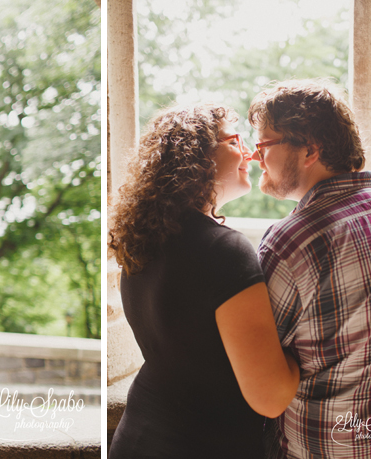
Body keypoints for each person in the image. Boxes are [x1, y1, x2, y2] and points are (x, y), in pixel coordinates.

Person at [107, 104, 300, 458]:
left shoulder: (145, 239)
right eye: (235, 140)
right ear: (196, 156)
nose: (250, 153)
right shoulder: (225, 251)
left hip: (138, 437)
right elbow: (271, 398)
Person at [249, 80, 371, 458]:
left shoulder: (290, 244)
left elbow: (260, 369)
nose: (257, 158)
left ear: (310, 149)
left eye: (263, 146)